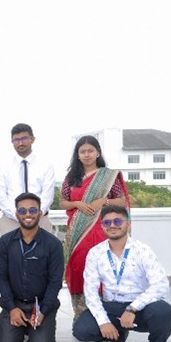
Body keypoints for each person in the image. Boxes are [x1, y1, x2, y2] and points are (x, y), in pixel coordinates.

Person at [73, 205, 171, 342]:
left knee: (164, 313)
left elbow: (161, 285)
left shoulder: (142, 250)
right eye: (107, 222)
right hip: (111, 306)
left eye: (118, 221)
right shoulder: (95, 253)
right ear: (102, 226)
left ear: (128, 223)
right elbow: (90, 292)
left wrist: (132, 308)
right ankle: (118, 337)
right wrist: (103, 322)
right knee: (82, 330)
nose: (112, 225)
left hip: (139, 307)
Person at [59, 135, 129, 320]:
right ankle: (82, 316)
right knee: (78, 266)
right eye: (82, 151)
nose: (87, 154)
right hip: (78, 232)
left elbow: (121, 201)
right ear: (77, 155)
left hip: (102, 229)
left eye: (90, 151)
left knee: (102, 267)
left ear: (98, 152)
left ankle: (107, 314)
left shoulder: (108, 176)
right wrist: (77, 204)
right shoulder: (72, 177)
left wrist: (103, 201)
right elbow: (63, 202)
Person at [0, 193, 63, 342]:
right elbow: (1, 277)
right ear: (17, 214)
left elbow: (55, 282)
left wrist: (43, 311)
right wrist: (11, 308)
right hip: (15, 303)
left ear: (40, 212)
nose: (28, 214)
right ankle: (10, 323)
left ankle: (33, 329)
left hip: (41, 305)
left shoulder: (53, 244)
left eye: (32, 210)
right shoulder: (5, 242)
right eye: (22, 211)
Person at [0, 123, 55, 236]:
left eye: (24, 138)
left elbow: (48, 195)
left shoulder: (46, 165)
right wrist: (19, 214)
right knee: (9, 248)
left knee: (44, 248)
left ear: (32, 139)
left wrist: (34, 214)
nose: (20, 143)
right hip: (11, 221)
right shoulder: (3, 167)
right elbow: (0, 196)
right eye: (16, 140)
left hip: (40, 220)